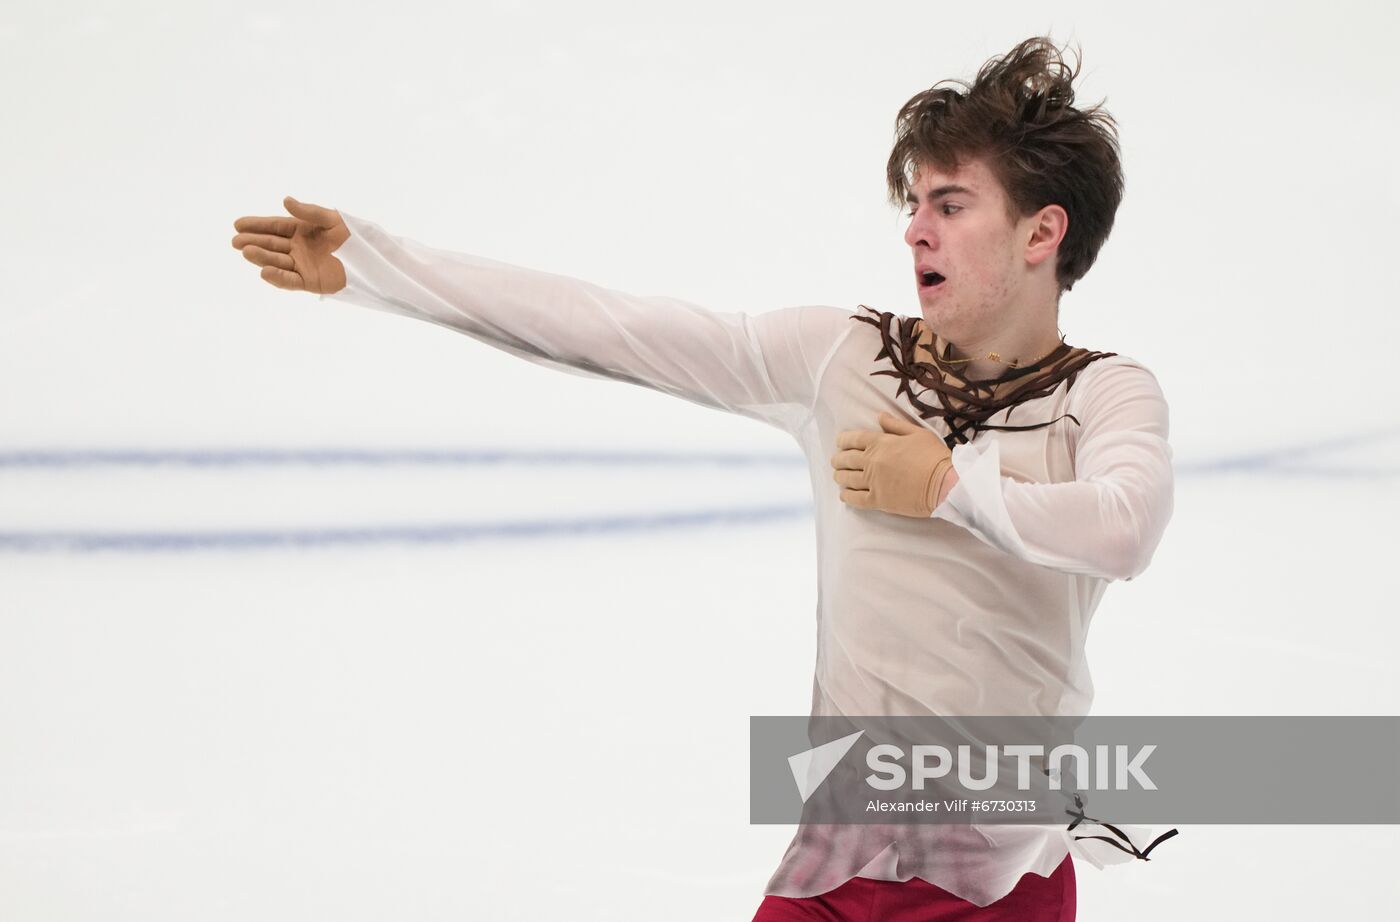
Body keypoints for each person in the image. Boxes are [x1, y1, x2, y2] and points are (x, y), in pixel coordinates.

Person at [231, 35, 1173, 922]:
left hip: (1004, 882)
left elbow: (1124, 527)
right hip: (841, 870)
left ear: (1041, 233)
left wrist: (943, 486)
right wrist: (378, 265)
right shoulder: (842, 358)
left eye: (951, 206)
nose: (915, 231)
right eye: (915, 204)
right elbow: (613, 328)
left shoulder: (1104, 394)